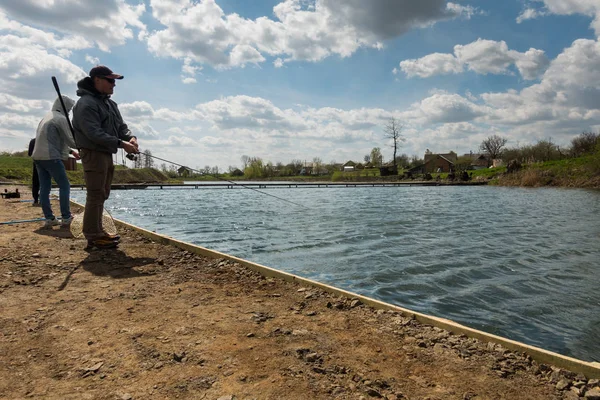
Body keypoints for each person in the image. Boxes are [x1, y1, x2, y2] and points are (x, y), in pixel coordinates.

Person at [72, 65, 138, 249]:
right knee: (95, 194)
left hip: (107, 153)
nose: (113, 85)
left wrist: (130, 138)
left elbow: (121, 128)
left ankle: (98, 230)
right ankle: (93, 235)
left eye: (114, 81)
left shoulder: (110, 104)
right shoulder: (85, 104)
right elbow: (93, 133)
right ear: (97, 80)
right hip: (93, 153)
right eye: (110, 80)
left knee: (102, 193)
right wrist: (121, 144)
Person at [31, 96, 80, 229]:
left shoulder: (46, 117)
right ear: (66, 107)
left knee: (45, 187)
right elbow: (71, 140)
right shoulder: (61, 118)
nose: (69, 111)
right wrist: (85, 146)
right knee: (64, 185)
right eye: (69, 109)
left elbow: (53, 139)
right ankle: (66, 217)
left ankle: (49, 218)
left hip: (37, 157)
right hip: (51, 157)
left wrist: (71, 152)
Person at [27, 138, 40, 205]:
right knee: (45, 181)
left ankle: (35, 200)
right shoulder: (46, 140)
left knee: (35, 181)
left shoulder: (33, 141)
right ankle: (44, 200)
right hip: (47, 162)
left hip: (36, 162)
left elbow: (29, 153)